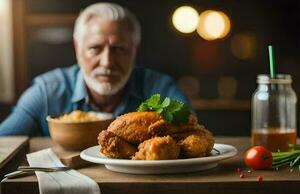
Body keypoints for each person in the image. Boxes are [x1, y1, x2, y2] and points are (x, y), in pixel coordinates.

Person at [0, 2, 192, 136]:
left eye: (120, 49)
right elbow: (4, 143)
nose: (107, 62)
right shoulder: (48, 91)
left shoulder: (159, 88)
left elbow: (192, 132)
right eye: (95, 49)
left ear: (135, 51)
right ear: (77, 49)